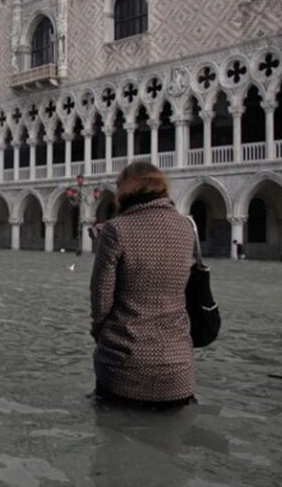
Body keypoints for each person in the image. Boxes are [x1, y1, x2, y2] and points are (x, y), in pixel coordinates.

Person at [90, 163, 195, 409]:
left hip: (124, 367)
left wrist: (101, 336)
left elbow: (101, 299)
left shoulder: (117, 229)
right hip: (178, 370)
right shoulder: (187, 228)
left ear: (126, 189)